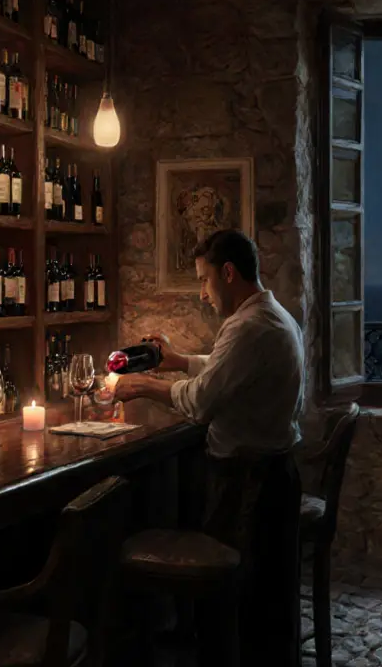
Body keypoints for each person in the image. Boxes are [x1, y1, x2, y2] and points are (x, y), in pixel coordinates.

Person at [112, 228, 305, 667]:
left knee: (243, 605)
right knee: (262, 606)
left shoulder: (248, 327)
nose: (202, 293)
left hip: (247, 486)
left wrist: (143, 384)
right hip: (271, 474)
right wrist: (178, 361)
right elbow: (230, 369)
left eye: (204, 279)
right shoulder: (272, 315)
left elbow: (200, 401)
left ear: (229, 273)